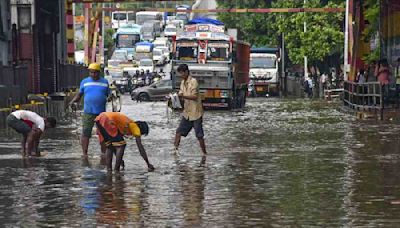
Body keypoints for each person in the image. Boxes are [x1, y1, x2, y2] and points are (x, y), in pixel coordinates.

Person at [69, 63, 109, 157]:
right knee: (86, 132)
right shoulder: (84, 82)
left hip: (101, 113)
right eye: (91, 72)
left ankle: (103, 153)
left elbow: (109, 95)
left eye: (95, 72)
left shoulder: (105, 82)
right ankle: (84, 153)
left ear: (99, 73)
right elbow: (79, 95)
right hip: (88, 112)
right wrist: (72, 102)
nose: (93, 74)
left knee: (102, 133)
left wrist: (112, 97)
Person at [174, 64, 207, 155]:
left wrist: (183, 96)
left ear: (186, 72)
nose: (181, 75)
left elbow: (195, 96)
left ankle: (204, 153)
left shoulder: (193, 82)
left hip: (196, 113)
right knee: (178, 132)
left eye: (182, 73)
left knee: (199, 135)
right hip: (187, 113)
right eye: (179, 73)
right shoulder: (182, 83)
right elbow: (180, 95)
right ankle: (175, 151)